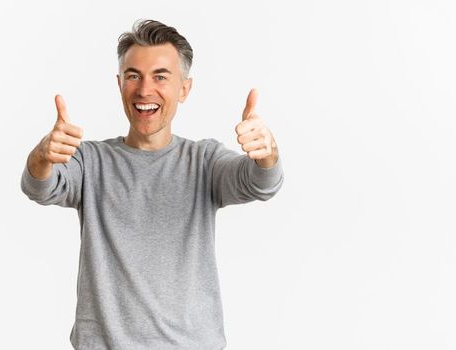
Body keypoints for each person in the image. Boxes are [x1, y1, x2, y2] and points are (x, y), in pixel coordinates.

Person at [20, 19, 284, 350]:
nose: (145, 90)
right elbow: (39, 187)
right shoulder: (90, 161)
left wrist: (267, 154)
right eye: (134, 76)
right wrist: (43, 156)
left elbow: (260, 183)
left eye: (160, 76)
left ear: (184, 88)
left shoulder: (204, 161)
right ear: (120, 84)